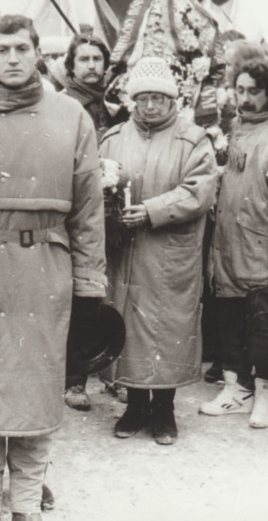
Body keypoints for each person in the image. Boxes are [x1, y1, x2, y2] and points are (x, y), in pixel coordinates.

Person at [0, 14, 106, 521]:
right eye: (2, 49)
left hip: (45, 272)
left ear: (37, 54)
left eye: (21, 49)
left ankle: (26, 508)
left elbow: (88, 208)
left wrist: (89, 282)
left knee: (35, 399)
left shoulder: (72, 116)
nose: (11, 59)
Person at [99, 57, 217, 444]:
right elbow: (97, 182)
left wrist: (151, 211)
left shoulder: (193, 140)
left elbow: (198, 191)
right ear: (133, 100)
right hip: (126, 252)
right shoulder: (114, 138)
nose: (150, 106)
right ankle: (134, 406)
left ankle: (164, 410)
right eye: (143, 98)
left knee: (168, 327)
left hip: (168, 254)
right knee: (128, 325)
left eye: (159, 99)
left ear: (173, 101)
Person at [199, 56, 268, 430]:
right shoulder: (237, 129)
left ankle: (265, 395)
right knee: (229, 319)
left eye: (253, 91)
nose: (245, 98)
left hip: (261, 248)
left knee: (265, 327)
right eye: (239, 90)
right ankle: (237, 390)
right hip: (229, 243)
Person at [59, 30, 112, 411]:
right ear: (71, 66)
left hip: (111, 212)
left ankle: (111, 374)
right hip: (75, 211)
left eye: (98, 59)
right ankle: (73, 379)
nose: (92, 66)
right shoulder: (62, 106)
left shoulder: (114, 106)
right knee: (77, 294)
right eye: (84, 60)